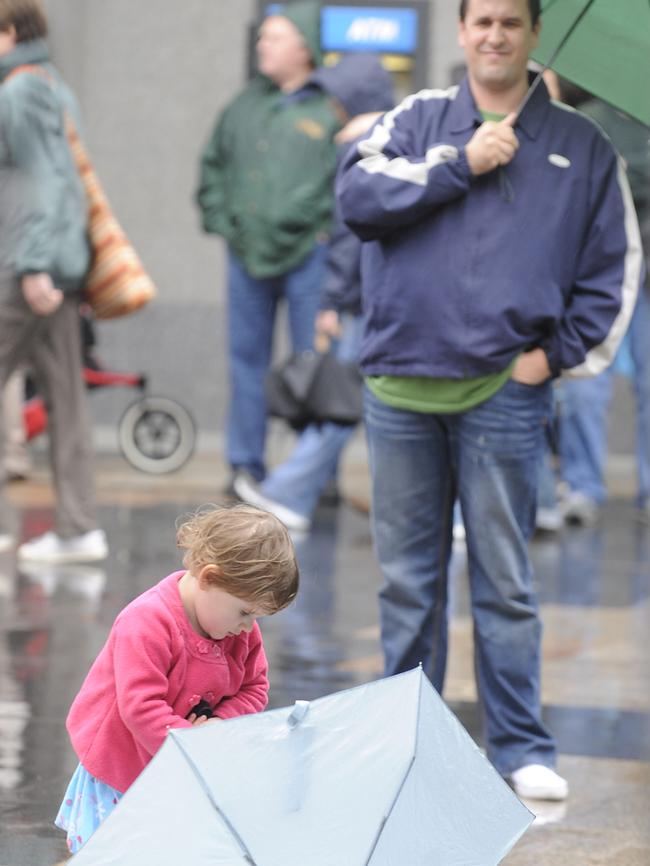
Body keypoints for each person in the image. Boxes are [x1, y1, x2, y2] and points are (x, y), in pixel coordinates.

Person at [337, 0, 642, 801]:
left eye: (511, 21)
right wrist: (459, 162)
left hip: (506, 393)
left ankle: (519, 745)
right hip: (401, 384)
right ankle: (406, 744)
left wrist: (553, 358)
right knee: (408, 582)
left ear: (534, 32)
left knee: (505, 581)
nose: (496, 36)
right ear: (463, 32)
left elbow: (615, 269)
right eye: (482, 22)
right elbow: (357, 198)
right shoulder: (418, 118)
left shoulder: (583, 145)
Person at [54, 504, 299, 854]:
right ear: (208, 578)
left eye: (258, 617)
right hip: (121, 767)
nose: (248, 626)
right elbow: (140, 708)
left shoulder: (240, 630)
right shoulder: (148, 622)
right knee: (112, 853)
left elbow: (254, 686)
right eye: (245, 612)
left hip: (184, 764)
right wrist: (190, 743)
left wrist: (218, 725)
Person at [234, 53, 395, 531]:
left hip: (362, 300)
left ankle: (287, 494)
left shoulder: (360, 146)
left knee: (342, 403)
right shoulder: (396, 140)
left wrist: (332, 302)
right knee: (364, 402)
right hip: (384, 297)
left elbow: (351, 235)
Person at [197, 0, 340, 488]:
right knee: (246, 364)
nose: (263, 44)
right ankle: (244, 464)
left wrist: (321, 227)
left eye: (274, 38)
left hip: (309, 257)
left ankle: (309, 475)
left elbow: (341, 184)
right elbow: (212, 166)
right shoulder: (243, 106)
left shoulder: (328, 110)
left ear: (304, 49)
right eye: (263, 37)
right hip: (246, 254)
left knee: (314, 365)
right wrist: (224, 221)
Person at [0, 0, 107, 562]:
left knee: (63, 395)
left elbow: (43, 182)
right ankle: (80, 527)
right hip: (50, 266)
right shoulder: (51, 85)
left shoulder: (20, 90)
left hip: (25, 268)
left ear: (10, 32)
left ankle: (80, 528)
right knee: (66, 397)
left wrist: (34, 264)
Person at [557, 98, 650, 526]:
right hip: (600, 275)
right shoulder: (592, 121)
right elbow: (583, 187)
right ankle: (582, 487)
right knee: (583, 384)